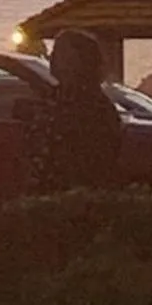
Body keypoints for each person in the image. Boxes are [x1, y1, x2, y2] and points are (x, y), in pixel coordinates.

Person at [24, 29, 123, 194]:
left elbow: (97, 161)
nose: (52, 59)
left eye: (61, 54)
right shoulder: (55, 97)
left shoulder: (94, 106)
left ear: (81, 61)